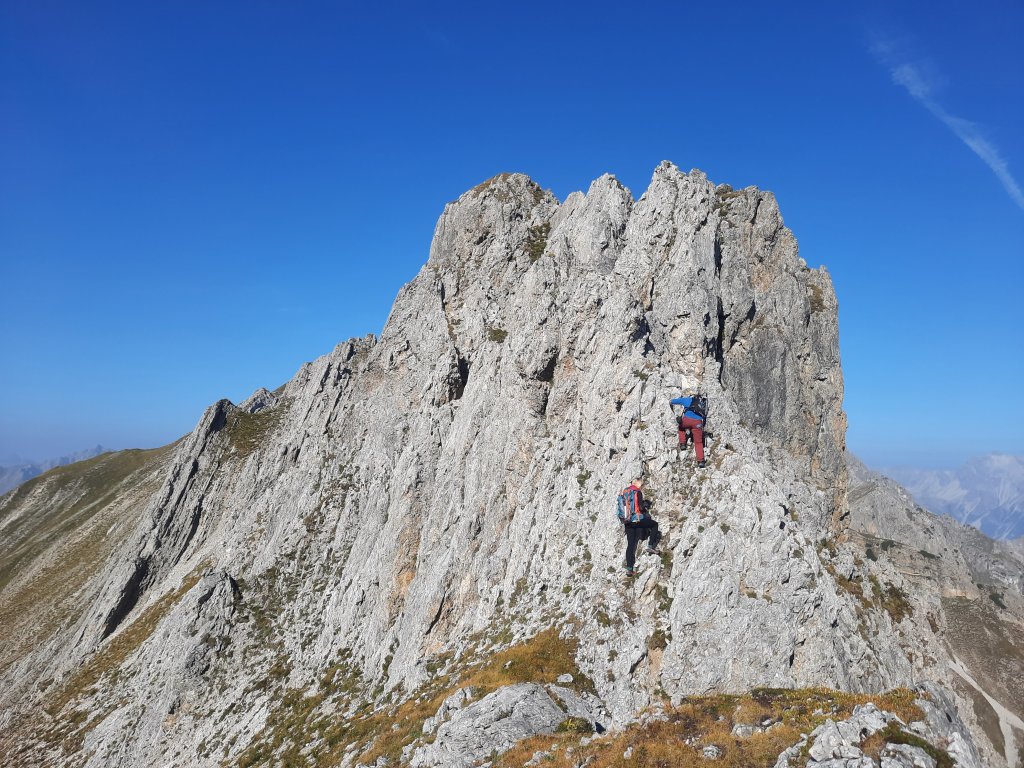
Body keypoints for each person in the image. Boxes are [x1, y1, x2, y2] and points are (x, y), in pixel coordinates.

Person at [617, 478, 660, 577]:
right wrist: (644, 509)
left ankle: (629, 569)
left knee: (631, 544)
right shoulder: (637, 492)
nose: (641, 486)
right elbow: (640, 507)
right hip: (636, 520)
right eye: (641, 484)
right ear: (637, 483)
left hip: (627, 521)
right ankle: (651, 546)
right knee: (654, 525)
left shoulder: (625, 492)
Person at [670, 393, 706, 468]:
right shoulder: (702, 404)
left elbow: (674, 401)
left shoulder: (688, 399)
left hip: (687, 420)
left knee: (681, 427)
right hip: (698, 423)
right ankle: (701, 461)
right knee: (698, 442)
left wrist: (671, 401)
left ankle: (683, 444)